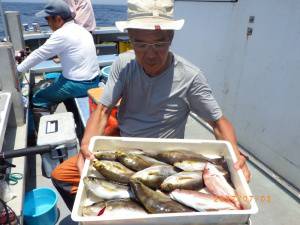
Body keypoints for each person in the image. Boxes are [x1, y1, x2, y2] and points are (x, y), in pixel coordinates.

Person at [51, 0, 251, 211]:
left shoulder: (190, 77)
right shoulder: (123, 64)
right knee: (61, 176)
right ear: (130, 39)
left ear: (171, 38)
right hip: (122, 149)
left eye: (159, 43)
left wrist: (234, 155)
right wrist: (85, 145)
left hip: (163, 161)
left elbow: (218, 123)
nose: (150, 54)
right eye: (140, 44)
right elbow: (103, 110)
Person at [17, 0, 100, 115]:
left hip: (79, 84)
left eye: (47, 19)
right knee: (51, 77)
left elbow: (39, 54)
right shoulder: (81, 29)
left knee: (39, 97)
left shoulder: (61, 34)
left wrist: (17, 71)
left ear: (58, 19)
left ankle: (41, 129)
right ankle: (60, 103)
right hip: (94, 80)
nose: (47, 23)